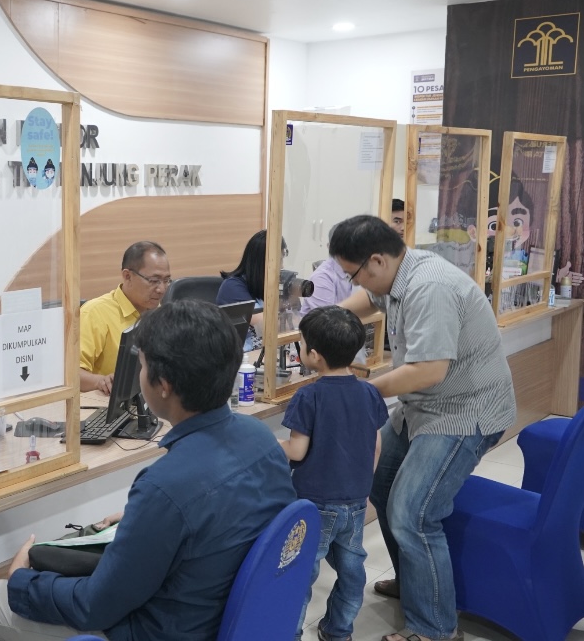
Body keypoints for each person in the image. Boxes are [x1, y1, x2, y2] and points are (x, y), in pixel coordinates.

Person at [0, 300, 297, 641]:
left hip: (162, 631)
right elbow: (219, 514)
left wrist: (23, 580)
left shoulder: (164, 488)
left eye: (142, 366)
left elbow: (94, 606)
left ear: (163, 385)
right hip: (232, 620)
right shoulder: (261, 439)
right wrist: (144, 519)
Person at [330, 215, 514, 641]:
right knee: (379, 482)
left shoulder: (429, 287)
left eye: (353, 274)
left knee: (412, 513)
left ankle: (435, 628)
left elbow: (428, 370)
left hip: (462, 411)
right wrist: (329, 317)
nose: (355, 283)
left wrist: (361, 392)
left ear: (377, 260)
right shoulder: (398, 275)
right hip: (423, 406)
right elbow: (368, 300)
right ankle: (417, 582)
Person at [280, 306, 388, 641]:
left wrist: (269, 443)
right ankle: (338, 630)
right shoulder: (369, 392)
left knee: (301, 573)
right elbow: (376, 443)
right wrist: (361, 484)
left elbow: (297, 450)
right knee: (352, 570)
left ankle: (288, 632)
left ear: (313, 355)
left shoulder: (308, 396)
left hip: (314, 504)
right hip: (354, 502)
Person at [79, 241, 170, 394]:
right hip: (106, 402)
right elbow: (71, 375)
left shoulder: (157, 310)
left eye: (166, 280)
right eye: (154, 281)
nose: (161, 289)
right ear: (127, 276)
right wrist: (100, 381)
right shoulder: (94, 313)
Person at [216, 229, 287, 352]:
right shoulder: (232, 287)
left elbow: (296, 321)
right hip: (243, 357)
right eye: (279, 261)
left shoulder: (267, 285)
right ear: (262, 263)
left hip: (267, 353)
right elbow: (267, 327)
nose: (282, 267)